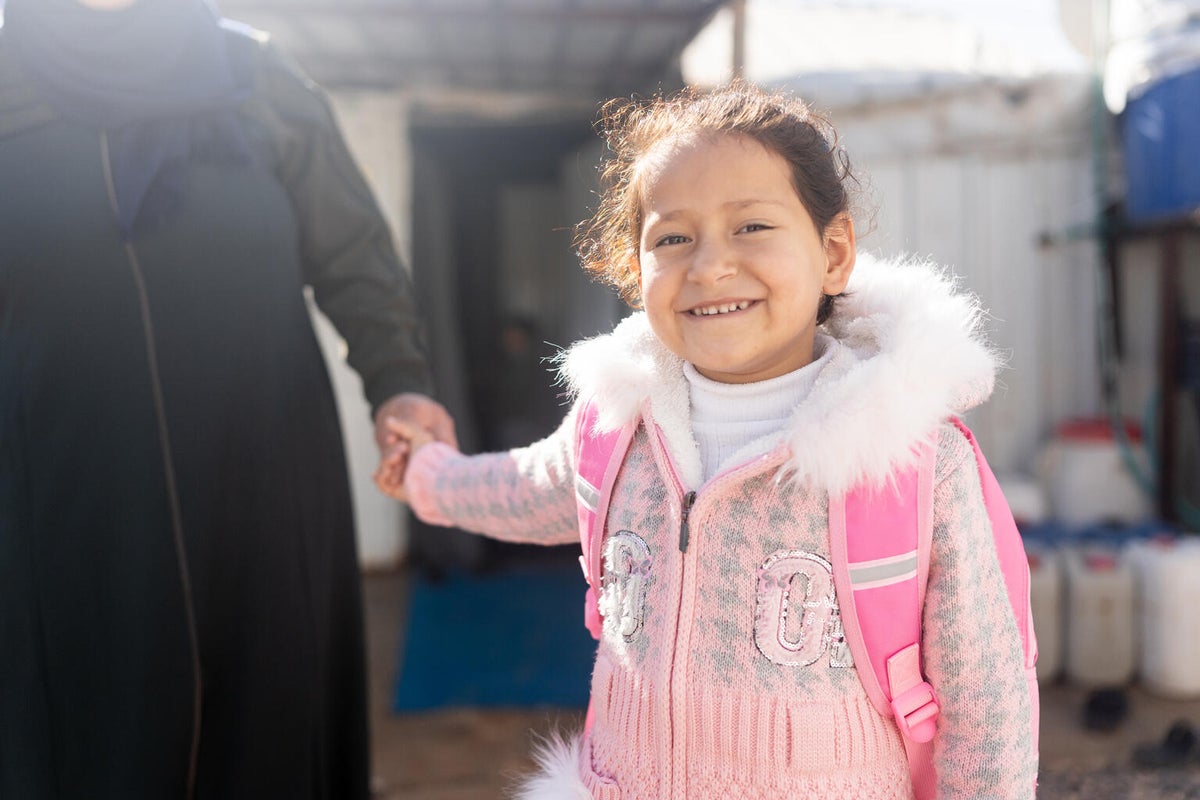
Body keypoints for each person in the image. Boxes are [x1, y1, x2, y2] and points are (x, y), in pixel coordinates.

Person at [379, 81, 1038, 798]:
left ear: (835, 251)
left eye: (752, 226)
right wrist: (423, 472)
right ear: (635, 271)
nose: (709, 265)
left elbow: (989, 704)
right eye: (672, 237)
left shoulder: (913, 461)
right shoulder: (618, 426)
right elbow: (521, 489)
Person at [0, 1, 454, 798]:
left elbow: (356, 258)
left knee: (269, 725)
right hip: (63, 492)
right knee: (85, 725)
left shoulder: (258, 77)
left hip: (263, 477)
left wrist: (400, 382)